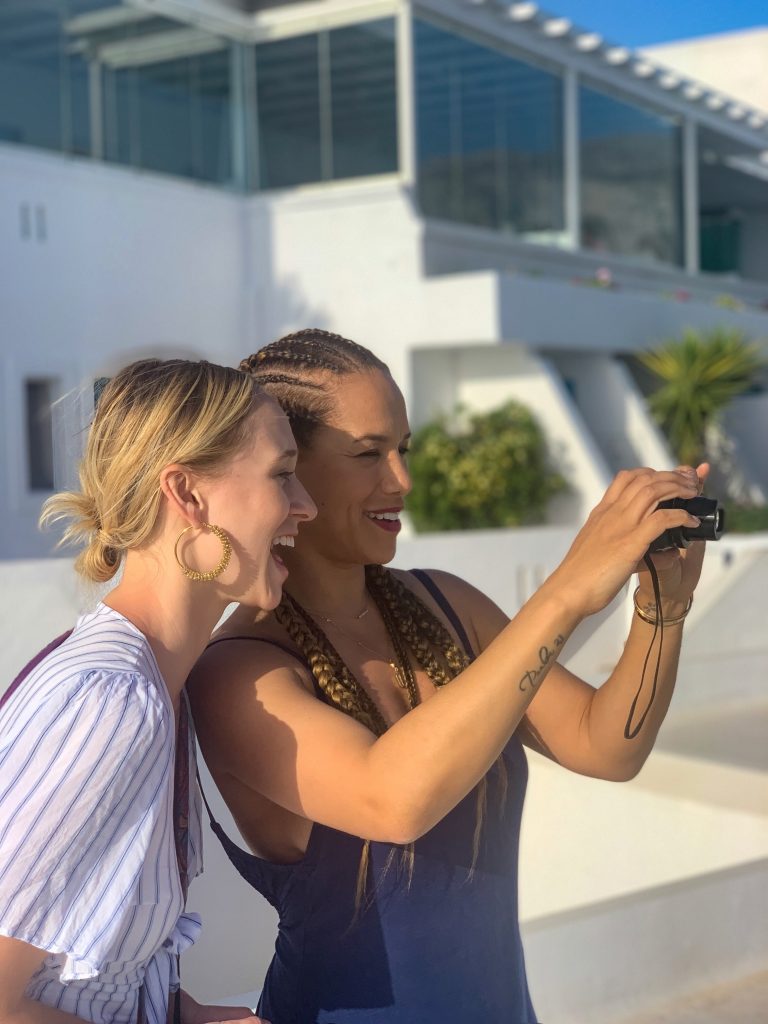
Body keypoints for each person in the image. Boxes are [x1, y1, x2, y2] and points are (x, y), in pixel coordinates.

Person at [187, 330, 708, 1024]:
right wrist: (566, 590)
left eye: (404, 449)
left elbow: (605, 746)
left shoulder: (446, 605)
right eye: (369, 454)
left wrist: (661, 609)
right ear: (291, 468)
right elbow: (393, 801)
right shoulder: (238, 672)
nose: (400, 480)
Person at [0, 357, 315, 1024]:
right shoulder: (112, 702)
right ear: (188, 494)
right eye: (282, 474)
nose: (305, 505)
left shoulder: (150, 687)